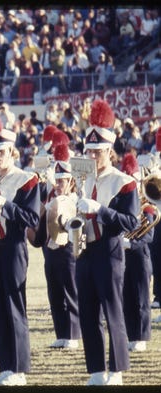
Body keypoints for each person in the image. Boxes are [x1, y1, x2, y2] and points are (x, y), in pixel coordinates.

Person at [75, 99, 139, 386]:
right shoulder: (82, 179)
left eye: (97, 151)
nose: (92, 156)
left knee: (113, 312)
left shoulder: (124, 182)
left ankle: (116, 371)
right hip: (84, 251)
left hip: (109, 251)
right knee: (87, 313)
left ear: (109, 151)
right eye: (88, 150)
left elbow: (130, 222)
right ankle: (97, 370)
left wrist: (100, 209)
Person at [0, 110, 40, 386]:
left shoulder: (26, 179)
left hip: (14, 247)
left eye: (1, 152)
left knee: (14, 306)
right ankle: (5, 366)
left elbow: (32, 218)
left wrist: (5, 204)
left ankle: (19, 370)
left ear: (11, 151)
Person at [29, 143, 81, 349]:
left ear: (71, 182)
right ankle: (61, 333)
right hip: (50, 249)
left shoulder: (76, 199)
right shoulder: (50, 197)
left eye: (63, 181)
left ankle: (74, 335)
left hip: (68, 250)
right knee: (54, 292)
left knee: (71, 291)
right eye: (57, 180)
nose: (59, 184)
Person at [120, 153, 153, 352]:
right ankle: (131, 334)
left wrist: (130, 244)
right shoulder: (122, 204)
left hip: (140, 256)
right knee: (127, 296)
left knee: (141, 297)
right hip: (123, 256)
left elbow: (148, 236)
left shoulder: (147, 205)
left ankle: (141, 336)